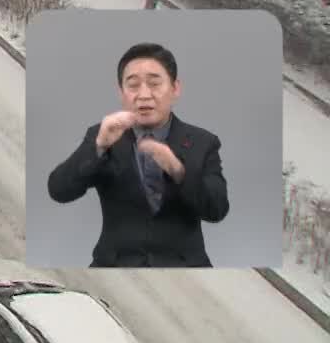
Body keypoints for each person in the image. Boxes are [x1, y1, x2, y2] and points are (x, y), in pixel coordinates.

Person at [46, 41, 229, 266]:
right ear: (121, 92)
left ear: (175, 88)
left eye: (154, 83)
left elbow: (217, 209)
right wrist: (98, 147)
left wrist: (178, 170)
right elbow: (59, 190)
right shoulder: (104, 135)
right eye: (133, 85)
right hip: (115, 266)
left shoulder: (203, 142)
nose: (144, 95)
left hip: (186, 270)